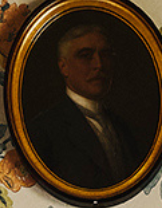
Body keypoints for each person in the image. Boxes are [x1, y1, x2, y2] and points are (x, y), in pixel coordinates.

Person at [22, 12, 151, 193]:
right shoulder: (44, 129)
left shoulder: (122, 126)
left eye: (105, 54)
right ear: (63, 66)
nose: (99, 64)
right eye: (85, 55)